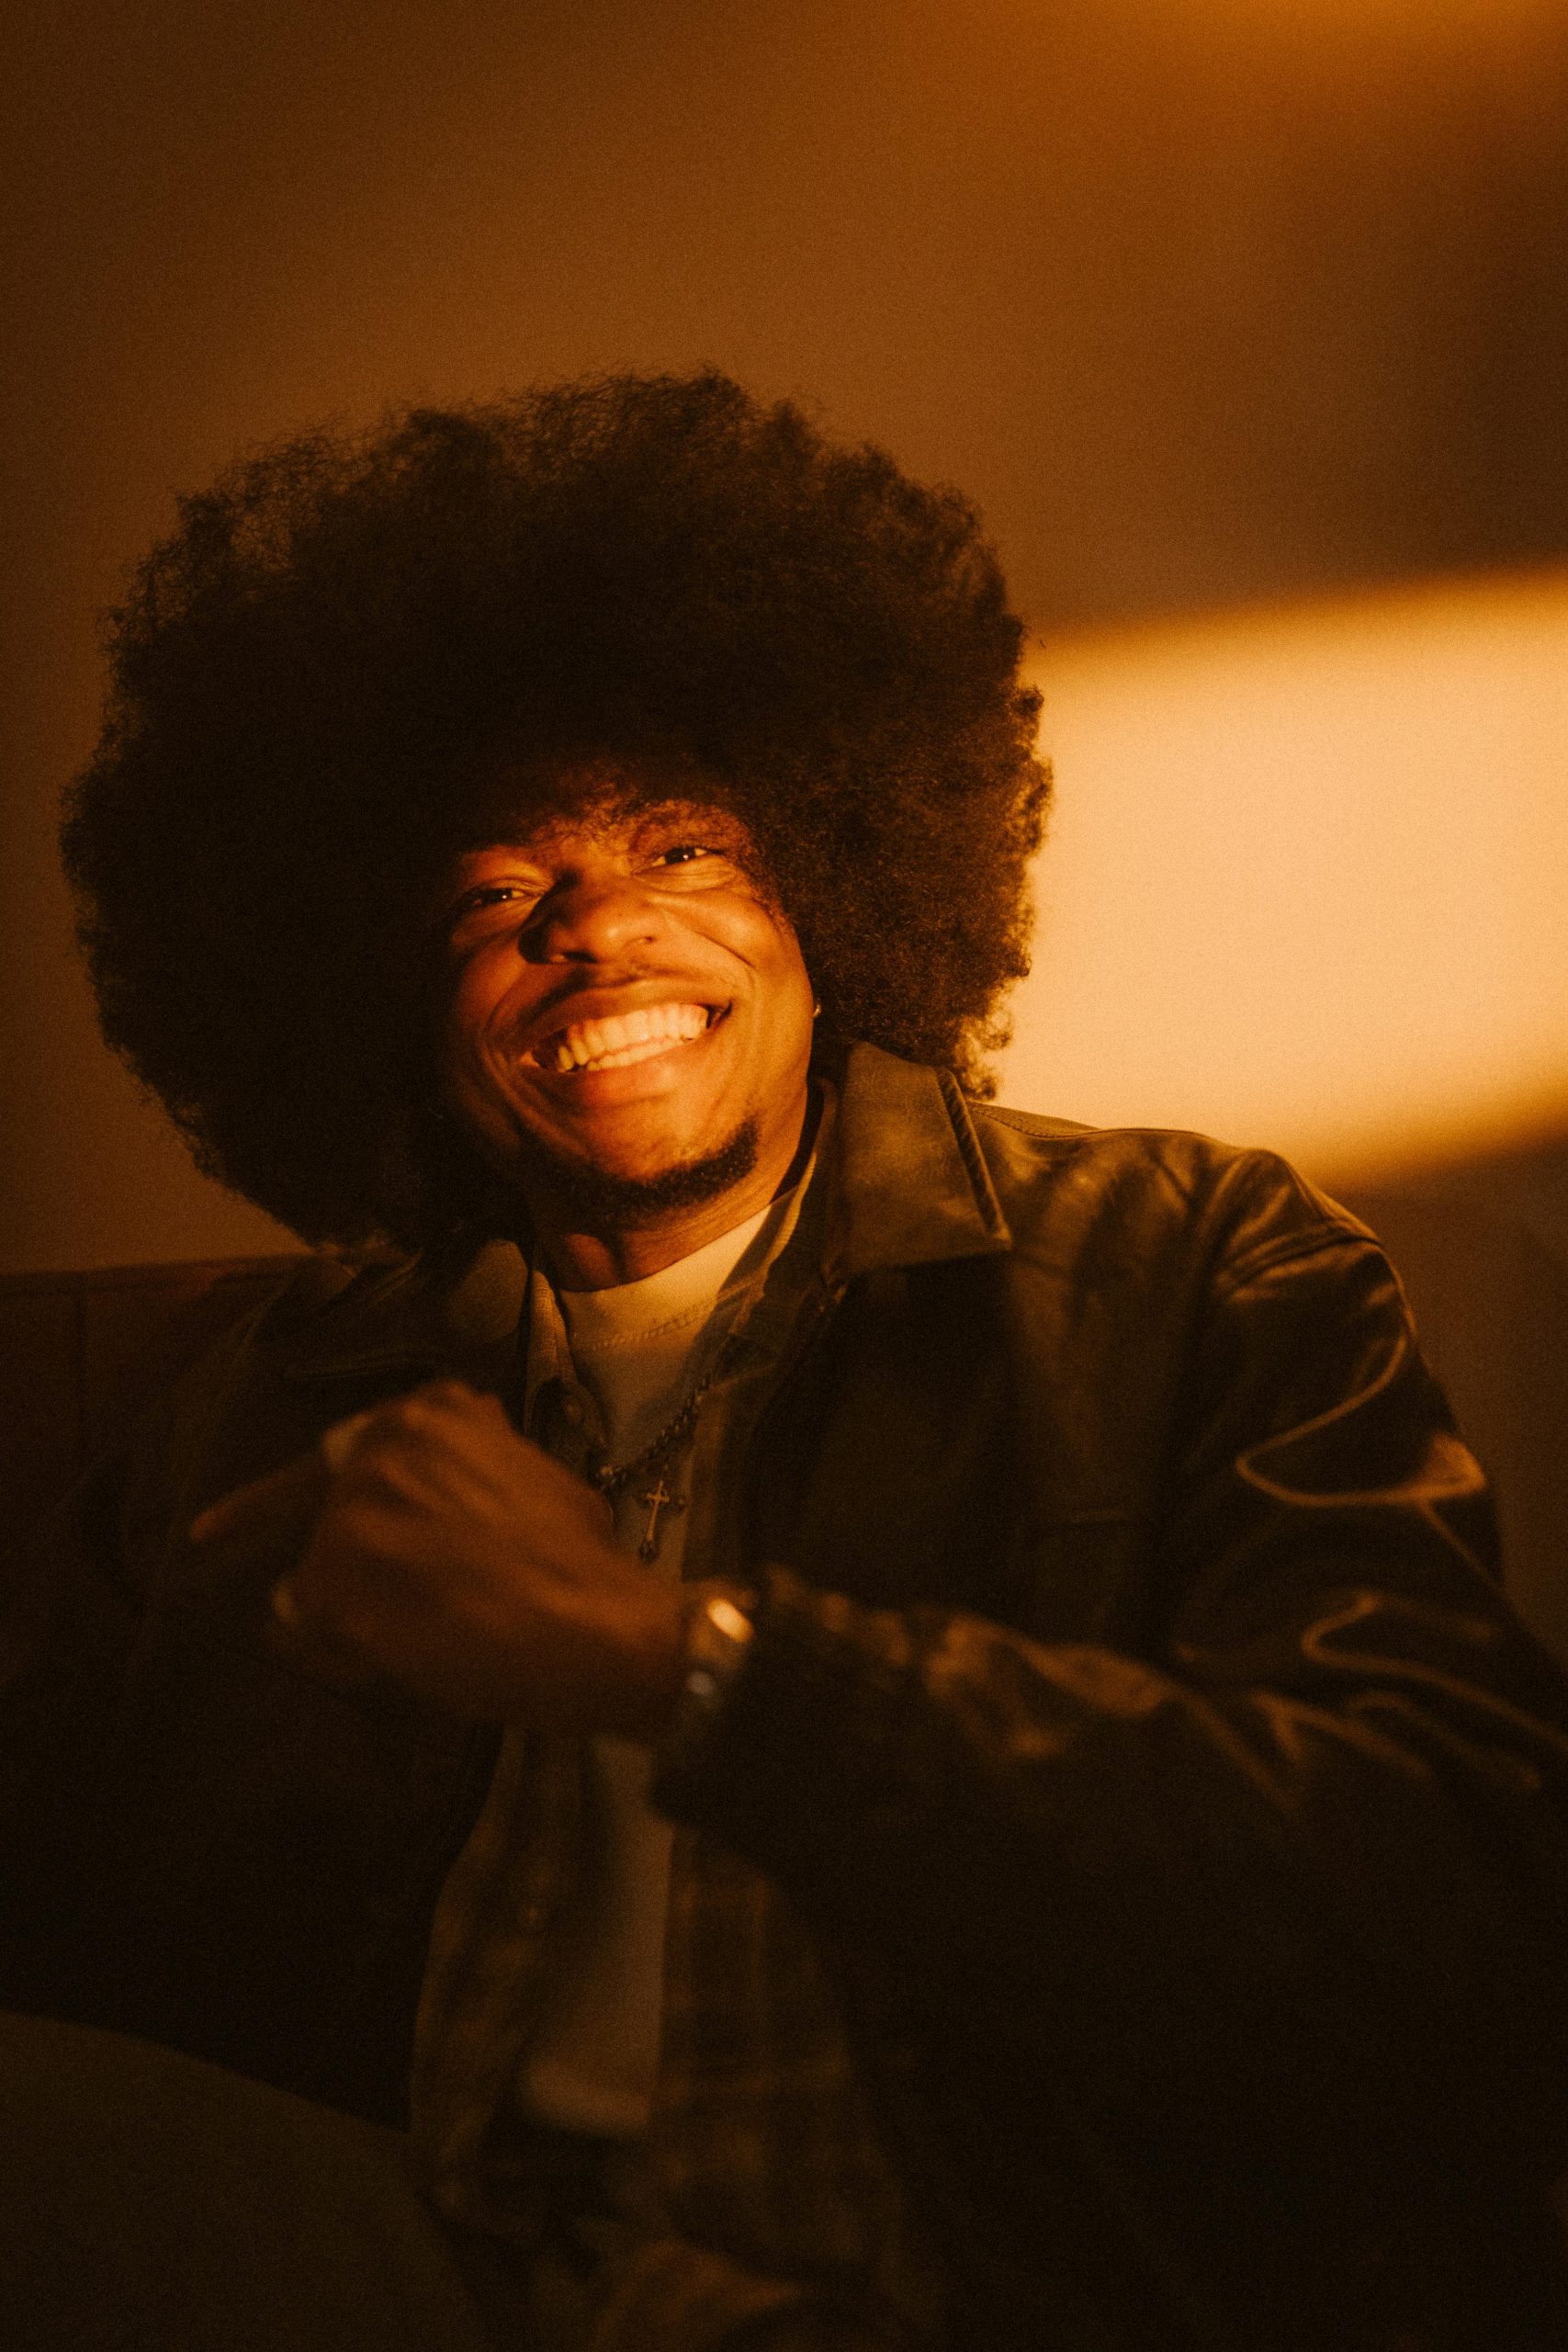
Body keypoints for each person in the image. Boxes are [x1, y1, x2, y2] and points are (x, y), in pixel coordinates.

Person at [6, 371, 1567, 2349]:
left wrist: (688, 1667)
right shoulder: (273, 1396)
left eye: (679, 849)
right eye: (500, 892)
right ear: (387, 991)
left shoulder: (1189, 1265)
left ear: (831, 890)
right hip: (449, 2265)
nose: (598, 932)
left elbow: (1455, 1901)